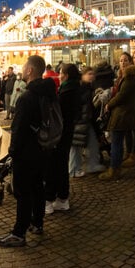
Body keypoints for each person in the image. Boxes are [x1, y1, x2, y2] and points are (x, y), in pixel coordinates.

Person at [0, 54, 54, 248]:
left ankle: (19, 233)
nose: (21, 69)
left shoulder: (27, 97)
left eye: (23, 66)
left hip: (26, 152)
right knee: (38, 187)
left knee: (22, 191)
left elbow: (18, 129)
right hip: (43, 147)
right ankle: (37, 222)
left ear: (30, 70)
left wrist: (13, 152)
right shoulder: (48, 92)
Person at [100, 52, 135, 180]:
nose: (123, 63)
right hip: (121, 113)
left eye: (126, 60)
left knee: (116, 143)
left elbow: (121, 96)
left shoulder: (130, 78)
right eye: (121, 60)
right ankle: (116, 166)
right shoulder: (123, 76)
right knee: (117, 141)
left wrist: (109, 104)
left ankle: (114, 170)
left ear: (130, 62)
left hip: (123, 114)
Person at [46, 63, 79, 215]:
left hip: (60, 134)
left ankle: (50, 200)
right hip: (67, 133)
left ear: (65, 75)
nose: (58, 76)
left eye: (60, 73)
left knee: (54, 166)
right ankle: (62, 199)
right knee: (62, 166)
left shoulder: (66, 93)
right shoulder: (75, 89)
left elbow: (58, 115)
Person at [69, 66, 105, 177]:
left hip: (86, 121)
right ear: (83, 75)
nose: (91, 76)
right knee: (76, 146)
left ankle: (92, 165)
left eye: (93, 74)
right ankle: (74, 170)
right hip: (80, 122)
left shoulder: (89, 88)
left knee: (92, 142)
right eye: (89, 74)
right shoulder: (81, 88)